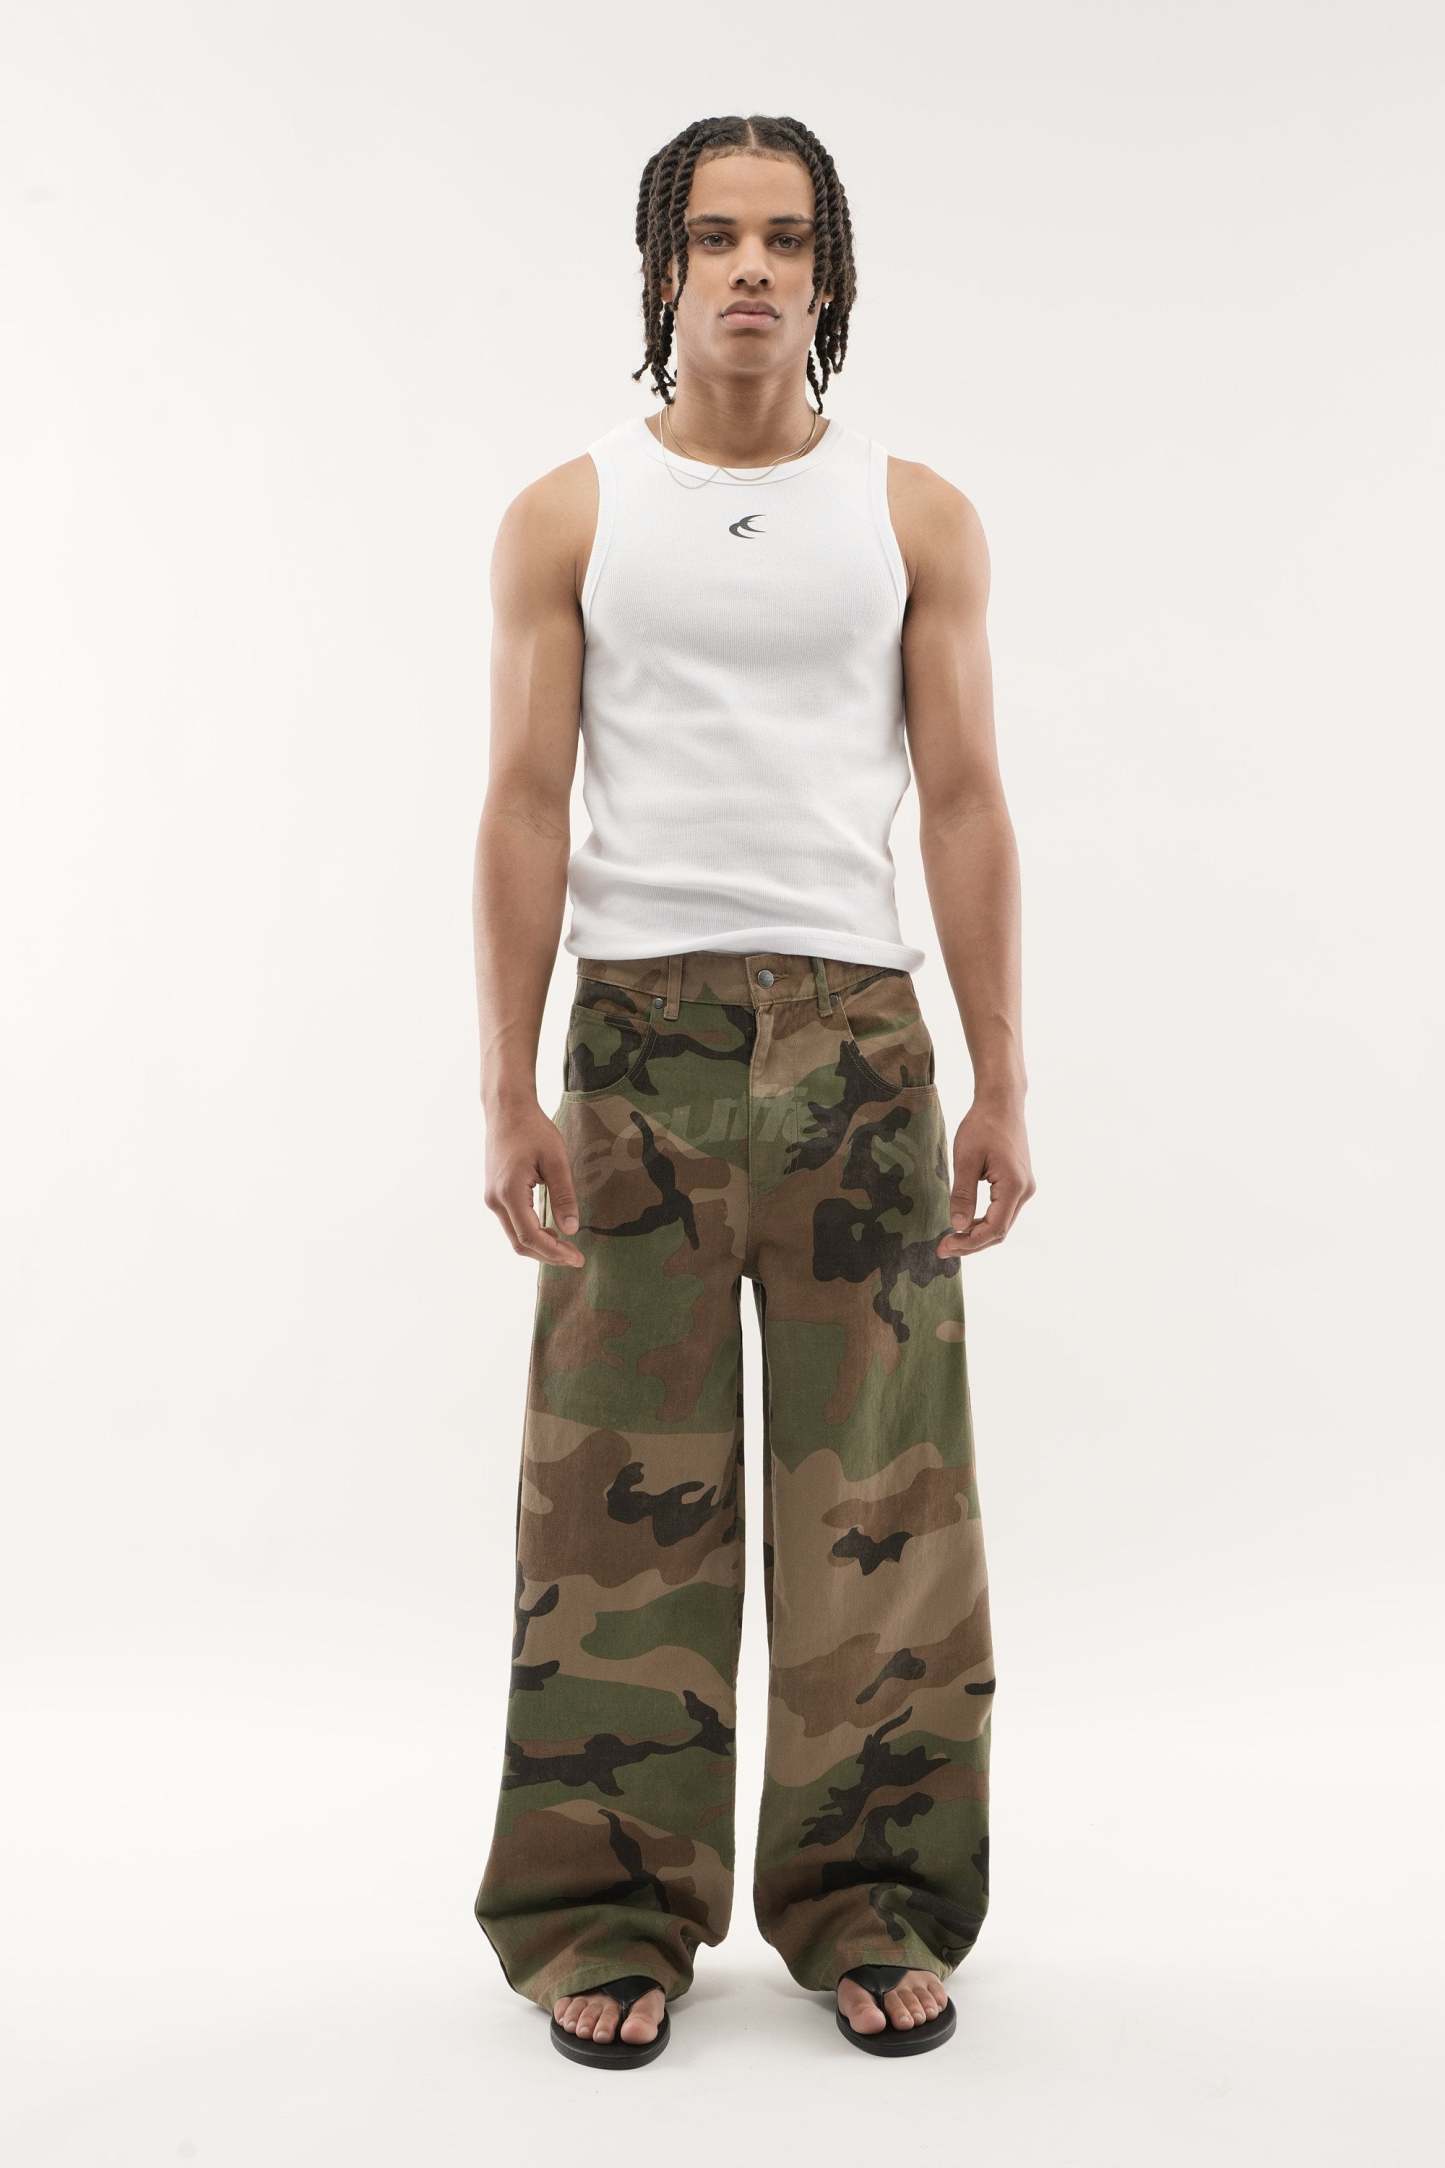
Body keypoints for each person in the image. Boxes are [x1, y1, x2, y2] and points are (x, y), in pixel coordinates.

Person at [470, 112, 1034, 2066]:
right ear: (664, 271)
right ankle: (600, 1910)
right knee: (612, 1506)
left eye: (786, 239)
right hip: (636, 1048)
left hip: (859, 1048)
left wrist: (998, 1078)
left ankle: (873, 1899)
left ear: (829, 275)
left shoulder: (913, 516)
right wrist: (506, 1083)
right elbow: (524, 803)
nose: (750, 270)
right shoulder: (570, 514)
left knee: (883, 1495)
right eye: (714, 237)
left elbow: (964, 802)